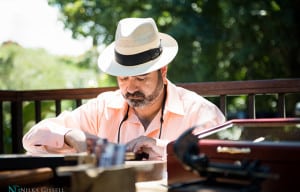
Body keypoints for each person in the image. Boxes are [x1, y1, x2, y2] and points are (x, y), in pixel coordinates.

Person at [22, 17, 225, 160]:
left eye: (141, 77)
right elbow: (33, 139)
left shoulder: (199, 111)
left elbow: (221, 155)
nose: (130, 88)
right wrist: (70, 136)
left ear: (163, 72)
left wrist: (163, 148)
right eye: (123, 78)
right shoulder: (103, 108)